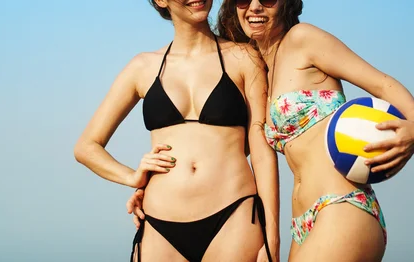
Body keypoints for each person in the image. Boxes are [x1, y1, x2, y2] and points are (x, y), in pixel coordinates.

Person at [128, 0, 414, 261]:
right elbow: (222, 149)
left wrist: (413, 129)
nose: (254, 7)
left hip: (341, 206)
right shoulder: (258, 64)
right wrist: (153, 185)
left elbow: (382, 83)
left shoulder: (304, 40)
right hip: (302, 224)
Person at [73, 0, 280, 261]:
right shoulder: (143, 66)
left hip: (233, 216)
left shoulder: (244, 58)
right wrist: (132, 177)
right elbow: (86, 147)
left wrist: (272, 238)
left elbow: (262, 151)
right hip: (160, 226)